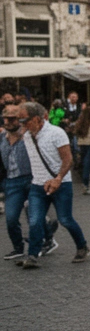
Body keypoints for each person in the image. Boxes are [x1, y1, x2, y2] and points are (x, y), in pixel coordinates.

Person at [19, 102, 90, 267]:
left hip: (61, 184)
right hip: (38, 185)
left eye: (25, 121)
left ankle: (82, 246)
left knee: (65, 219)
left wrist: (58, 178)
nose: (22, 124)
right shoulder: (27, 134)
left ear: (37, 119)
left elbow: (68, 159)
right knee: (35, 220)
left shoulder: (57, 133)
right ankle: (32, 255)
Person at [2, 104, 34, 261]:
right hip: (11, 182)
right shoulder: (2, 138)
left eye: (12, 118)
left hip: (30, 179)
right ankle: (18, 247)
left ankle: (46, 237)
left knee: (34, 215)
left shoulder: (28, 135)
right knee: (11, 218)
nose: (8, 121)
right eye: (5, 118)